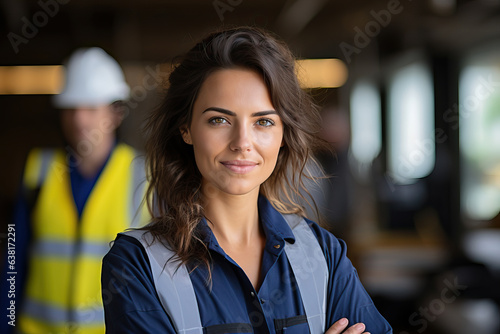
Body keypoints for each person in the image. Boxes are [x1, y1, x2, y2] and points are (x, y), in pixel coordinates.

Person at [101, 27, 392, 334]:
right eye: (219, 120)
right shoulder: (136, 267)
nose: (242, 142)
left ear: (283, 135)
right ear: (185, 128)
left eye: (263, 121)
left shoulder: (324, 255)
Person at [0, 47, 149, 334]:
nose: (80, 120)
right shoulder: (38, 171)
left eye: (91, 108)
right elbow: (12, 257)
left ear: (115, 113)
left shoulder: (144, 175)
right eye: (71, 108)